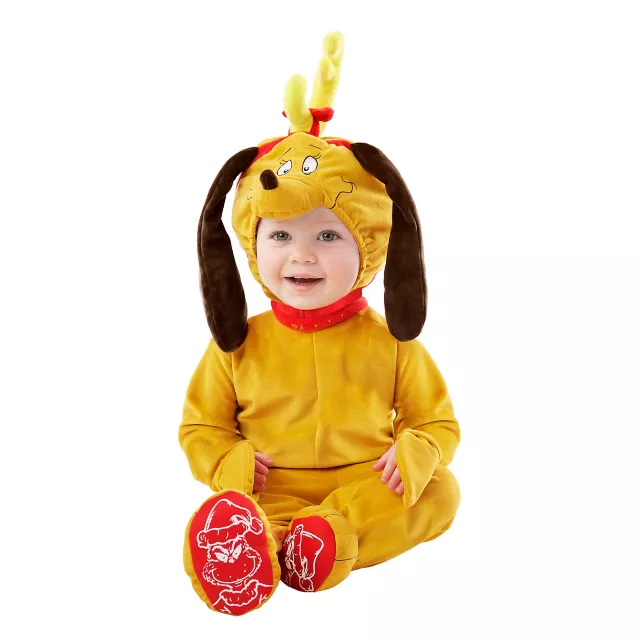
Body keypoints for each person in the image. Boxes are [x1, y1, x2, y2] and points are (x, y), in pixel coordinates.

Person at [179, 32, 461, 617]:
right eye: (281, 235)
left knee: (440, 491)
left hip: (366, 487)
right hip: (272, 488)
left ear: (370, 244)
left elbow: (437, 421)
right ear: (253, 245)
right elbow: (201, 427)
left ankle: (319, 541)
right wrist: (229, 462)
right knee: (255, 511)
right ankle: (252, 543)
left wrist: (417, 448)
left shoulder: (391, 343)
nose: (301, 256)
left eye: (328, 234)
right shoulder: (238, 345)